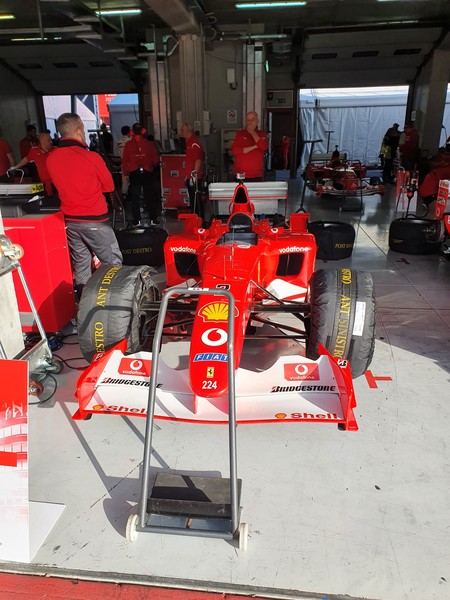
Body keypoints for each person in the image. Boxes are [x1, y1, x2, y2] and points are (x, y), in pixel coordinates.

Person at [46, 112, 122, 299]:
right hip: (95, 220)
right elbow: (109, 186)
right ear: (79, 131)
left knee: (81, 264)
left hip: (70, 221)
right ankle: (114, 303)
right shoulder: (91, 157)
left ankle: (84, 303)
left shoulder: (51, 159)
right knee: (112, 262)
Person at [122, 122, 160, 228]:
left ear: (132, 132)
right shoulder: (149, 144)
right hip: (147, 171)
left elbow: (125, 160)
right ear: (143, 131)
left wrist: (126, 173)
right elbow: (156, 159)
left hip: (134, 172)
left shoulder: (128, 145)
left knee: (135, 197)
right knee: (149, 196)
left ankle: (137, 220)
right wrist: (151, 164)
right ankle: (153, 218)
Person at [231, 111, 268, 181]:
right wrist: (255, 146)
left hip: (256, 174)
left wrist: (252, 132)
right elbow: (235, 151)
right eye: (248, 120)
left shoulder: (262, 134)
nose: (250, 122)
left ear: (257, 121)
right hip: (241, 173)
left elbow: (264, 146)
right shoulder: (240, 134)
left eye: (253, 120)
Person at [180, 122, 204, 216]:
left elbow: (198, 160)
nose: (181, 132)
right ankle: (195, 217)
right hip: (190, 176)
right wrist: (187, 176)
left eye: (182, 130)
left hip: (195, 177)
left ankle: (199, 218)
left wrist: (194, 176)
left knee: (196, 199)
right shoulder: (189, 142)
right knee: (192, 199)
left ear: (188, 131)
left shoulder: (194, 143)